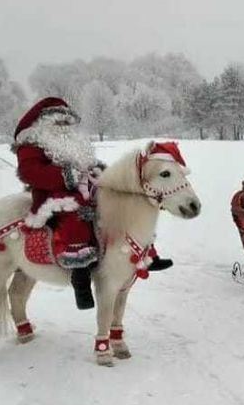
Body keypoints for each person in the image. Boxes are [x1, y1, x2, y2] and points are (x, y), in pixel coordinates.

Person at [12, 97, 172, 310]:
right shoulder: (32, 143)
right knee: (76, 215)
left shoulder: (75, 143)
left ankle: (147, 254)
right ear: (44, 123)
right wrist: (66, 175)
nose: (64, 127)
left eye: (67, 123)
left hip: (86, 186)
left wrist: (101, 172)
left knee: (123, 206)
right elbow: (30, 172)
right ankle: (80, 276)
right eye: (59, 122)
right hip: (53, 195)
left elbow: (88, 164)